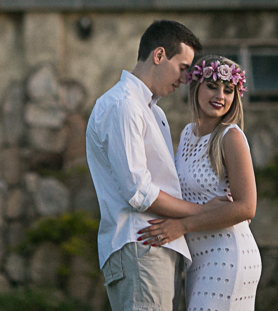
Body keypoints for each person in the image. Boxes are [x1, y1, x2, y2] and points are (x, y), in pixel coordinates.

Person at [86, 20, 227, 311]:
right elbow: (138, 191)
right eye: (184, 67)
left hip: (153, 247)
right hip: (140, 246)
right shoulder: (124, 105)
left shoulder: (152, 110)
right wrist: (202, 213)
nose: (186, 78)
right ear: (159, 55)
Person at [138, 55, 261, 311]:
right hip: (197, 259)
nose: (220, 96)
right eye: (212, 86)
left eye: (228, 90)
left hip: (227, 255)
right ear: (195, 87)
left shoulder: (231, 136)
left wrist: (182, 226)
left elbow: (247, 207)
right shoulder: (186, 133)